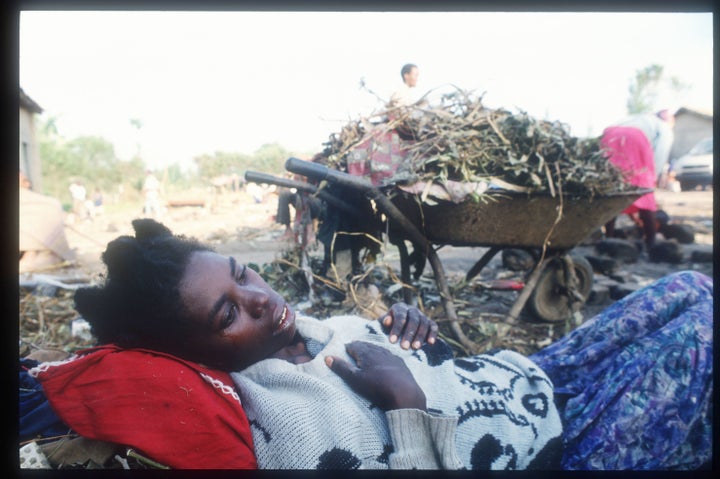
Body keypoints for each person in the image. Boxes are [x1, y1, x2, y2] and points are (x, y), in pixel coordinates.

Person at [28, 219, 712, 470]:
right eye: (228, 313)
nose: (262, 295)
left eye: (244, 272)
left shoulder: (312, 327)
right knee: (702, 325)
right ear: (200, 358)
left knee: (688, 285)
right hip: (563, 442)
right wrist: (406, 402)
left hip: (529, 373)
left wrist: (419, 330)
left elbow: (419, 351)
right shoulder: (283, 427)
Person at [601, 110, 675, 251]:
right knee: (644, 193)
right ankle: (651, 244)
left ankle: (608, 239)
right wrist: (653, 179)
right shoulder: (664, 127)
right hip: (634, 138)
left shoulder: (639, 118)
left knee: (614, 189)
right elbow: (660, 154)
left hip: (608, 135)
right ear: (669, 121)